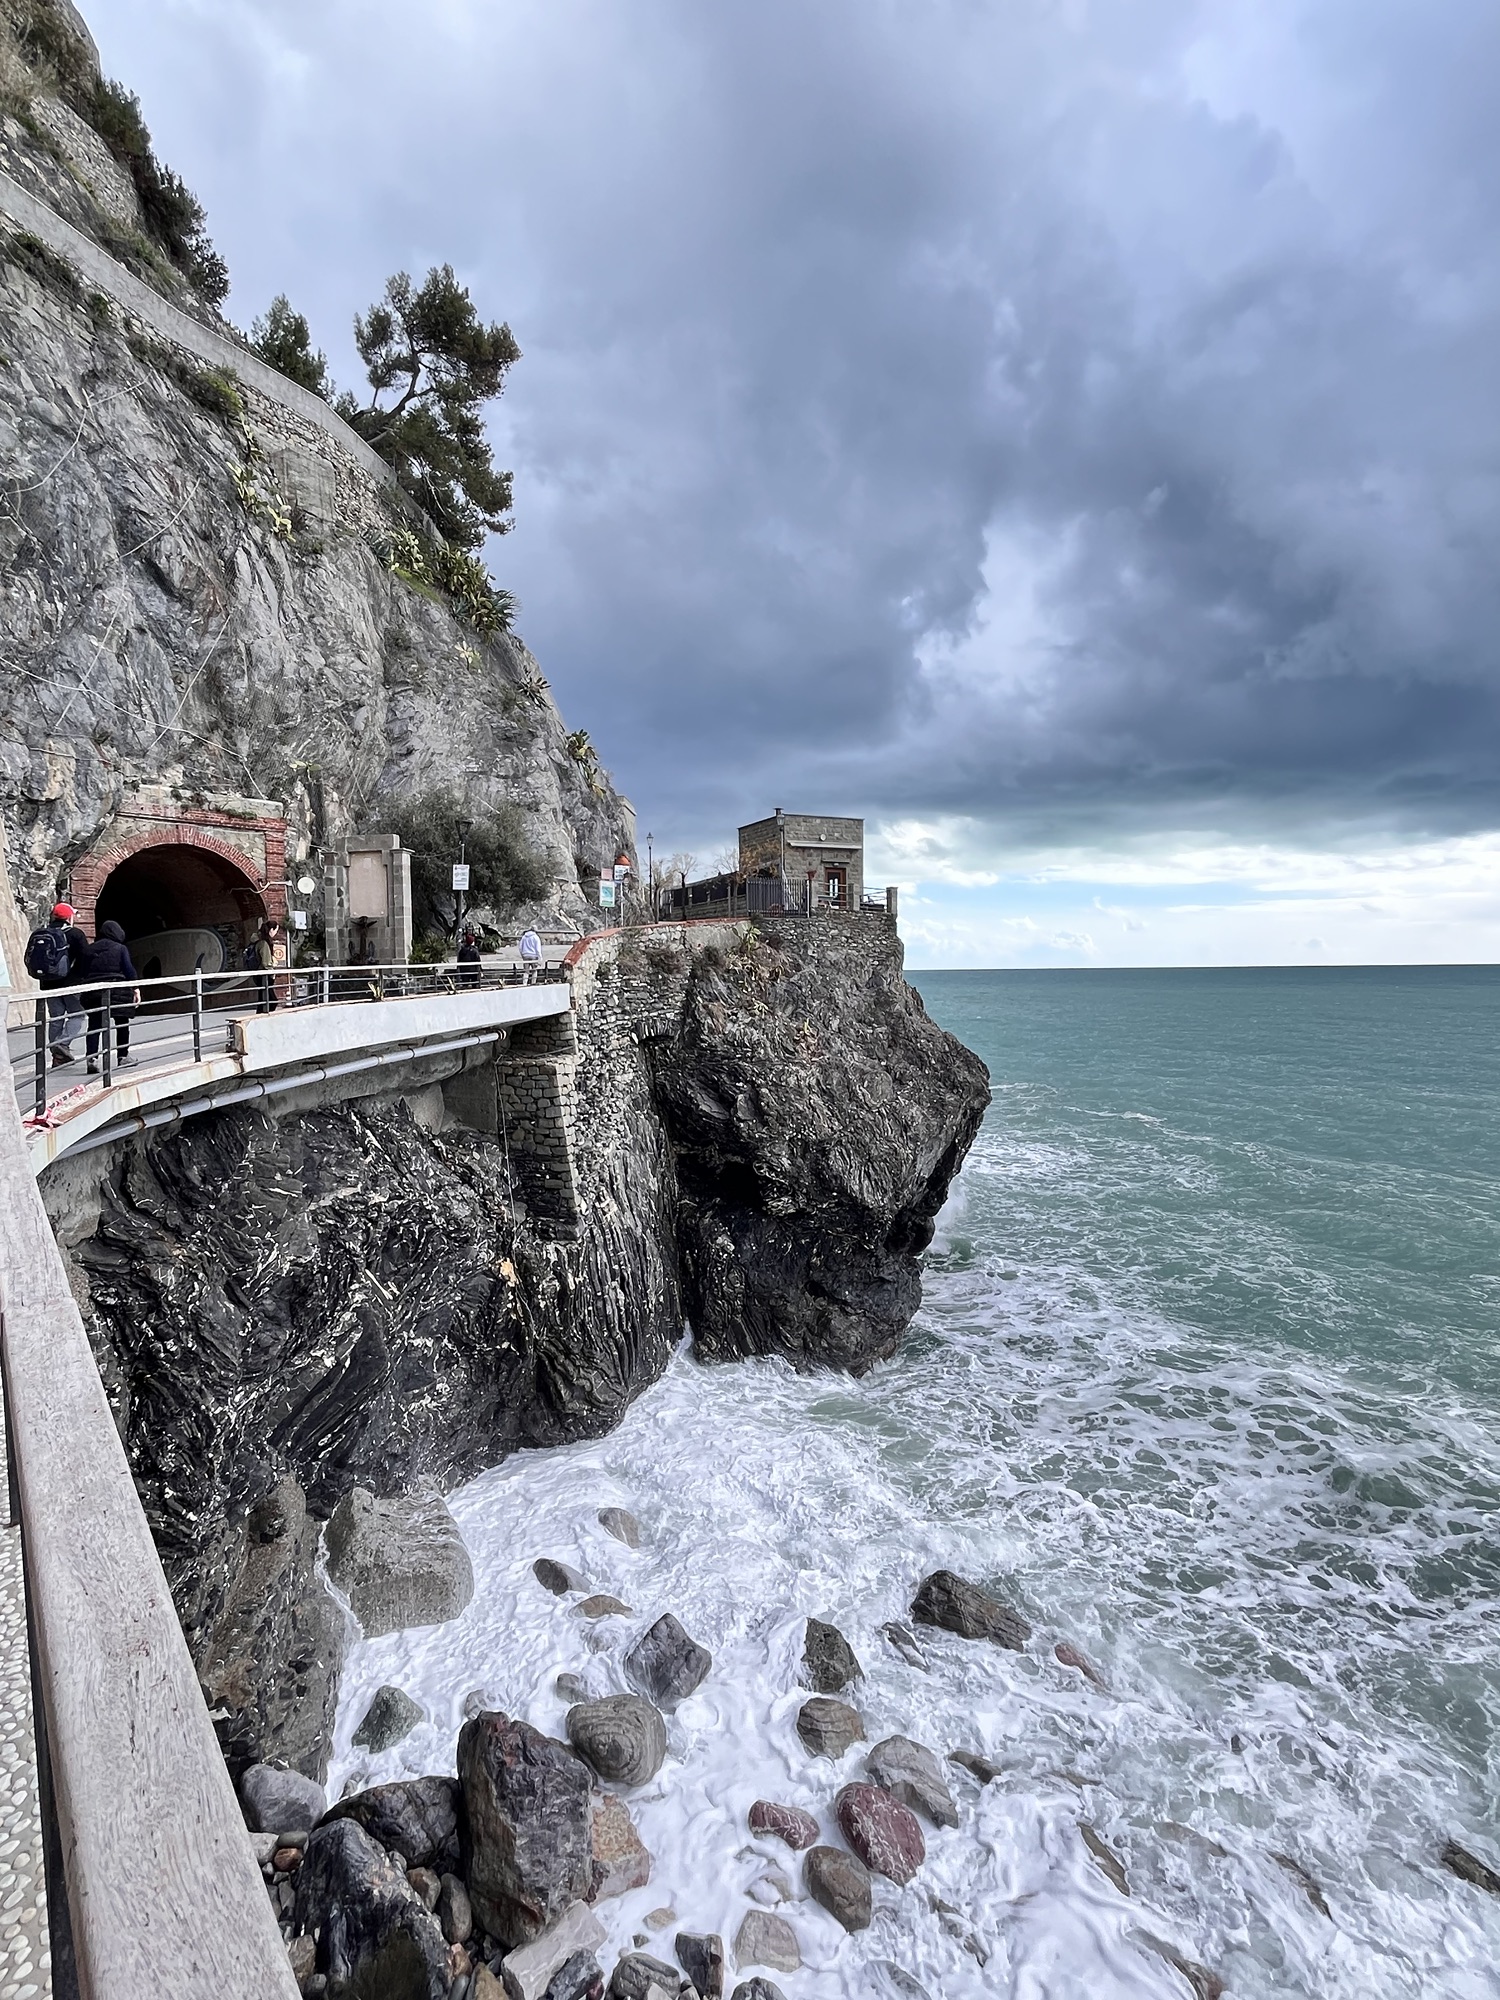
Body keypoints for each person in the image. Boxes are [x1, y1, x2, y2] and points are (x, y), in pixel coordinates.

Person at [24, 901, 88, 1066]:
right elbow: (85, 958)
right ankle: (62, 1044)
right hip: (72, 984)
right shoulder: (75, 934)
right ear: (69, 917)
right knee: (77, 1015)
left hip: (48, 984)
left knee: (56, 1018)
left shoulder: (40, 933)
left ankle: (57, 1057)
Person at [79, 920, 140, 1074]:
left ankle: (92, 1059)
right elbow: (129, 970)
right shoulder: (120, 948)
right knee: (122, 1023)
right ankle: (122, 1056)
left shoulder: (90, 949)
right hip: (117, 991)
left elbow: (82, 971)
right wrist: (136, 989)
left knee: (94, 1025)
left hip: (93, 991)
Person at [253, 919, 282, 1012]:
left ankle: (260, 1016)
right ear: (271, 930)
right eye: (276, 931)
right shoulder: (264, 943)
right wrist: (272, 968)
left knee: (263, 1000)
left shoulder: (257, 940)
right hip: (264, 975)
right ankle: (263, 1017)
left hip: (258, 974)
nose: (276, 933)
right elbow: (266, 963)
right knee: (271, 1001)